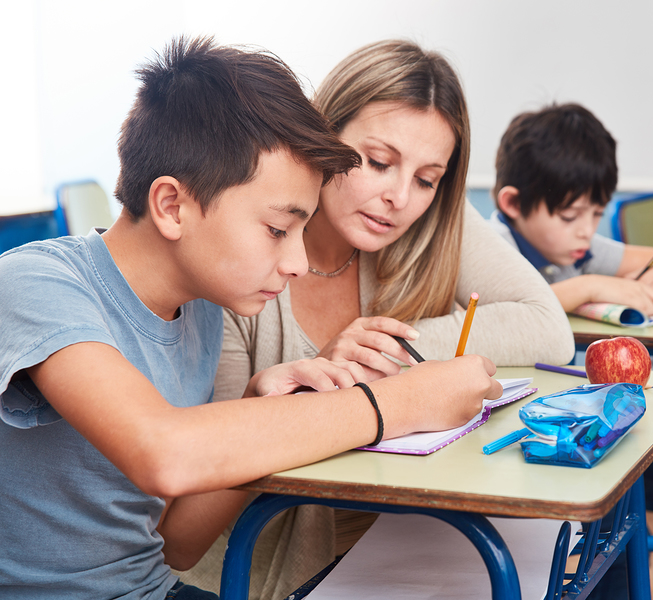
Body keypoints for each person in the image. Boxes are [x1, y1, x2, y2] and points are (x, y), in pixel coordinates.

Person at [0, 36, 505, 599]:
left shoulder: (201, 312)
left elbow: (176, 546)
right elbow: (162, 452)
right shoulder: (33, 285)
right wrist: (402, 403)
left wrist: (260, 409)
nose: (297, 262)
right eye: (275, 229)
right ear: (172, 205)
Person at [179, 40, 574, 599]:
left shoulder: (431, 220)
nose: (399, 198)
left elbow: (547, 327)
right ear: (324, 136)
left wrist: (391, 356)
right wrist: (329, 377)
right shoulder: (242, 261)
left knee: (581, 563)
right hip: (275, 567)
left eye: (426, 178)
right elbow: (212, 479)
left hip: (410, 532)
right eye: (379, 162)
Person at [489, 102, 653, 600]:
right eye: (572, 215)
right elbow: (504, 311)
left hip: (590, 436)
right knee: (616, 523)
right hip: (526, 444)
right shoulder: (492, 247)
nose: (586, 231)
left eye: (597, 213)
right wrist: (589, 285)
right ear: (512, 202)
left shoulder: (575, 246)